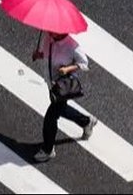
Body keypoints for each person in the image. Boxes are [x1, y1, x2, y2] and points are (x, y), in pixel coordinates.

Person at [32, 31, 98, 163]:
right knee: (62, 109)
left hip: (62, 85)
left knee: (51, 117)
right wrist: (39, 55)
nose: (51, 33)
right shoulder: (47, 37)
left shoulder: (71, 45)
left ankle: (48, 149)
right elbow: (47, 55)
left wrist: (67, 69)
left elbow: (84, 63)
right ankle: (86, 121)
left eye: (54, 32)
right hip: (51, 83)